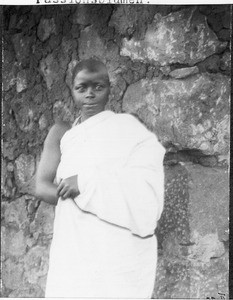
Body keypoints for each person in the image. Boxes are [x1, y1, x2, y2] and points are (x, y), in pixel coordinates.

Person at [35, 58, 165, 298]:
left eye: (98, 87)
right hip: (74, 235)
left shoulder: (127, 129)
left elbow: (146, 184)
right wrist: (77, 195)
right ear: (71, 90)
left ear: (109, 89)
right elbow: (41, 187)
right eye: (81, 88)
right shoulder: (62, 132)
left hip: (115, 240)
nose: (90, 95)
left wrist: (87, 185)